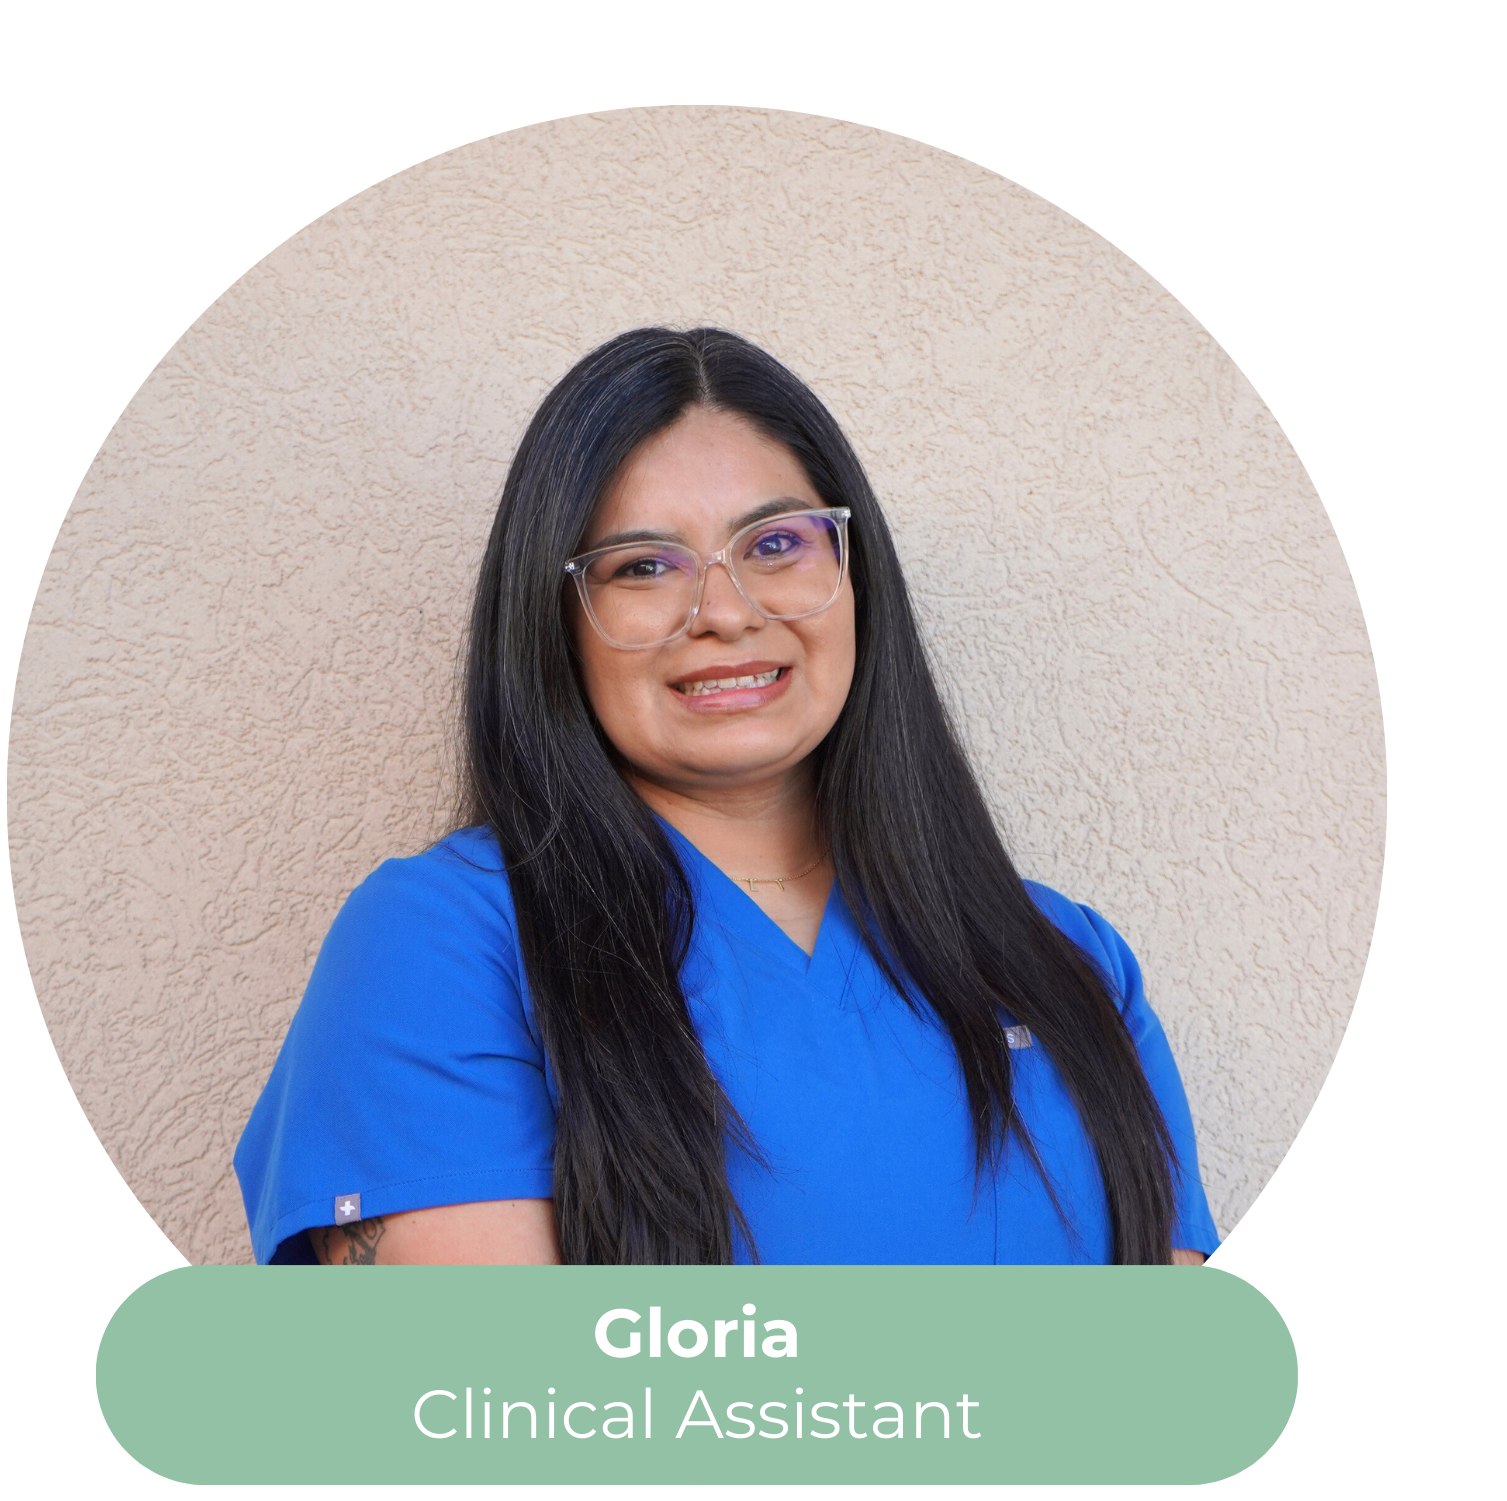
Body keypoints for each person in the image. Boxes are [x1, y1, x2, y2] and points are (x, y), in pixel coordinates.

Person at [234, 327, 1226, 1268]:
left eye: (777, 544)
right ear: (555, 624)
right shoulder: (443, 941)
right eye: (643, 567)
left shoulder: (1069, 961)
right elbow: (506, 1410)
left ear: (853, 572)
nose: (723, 612)